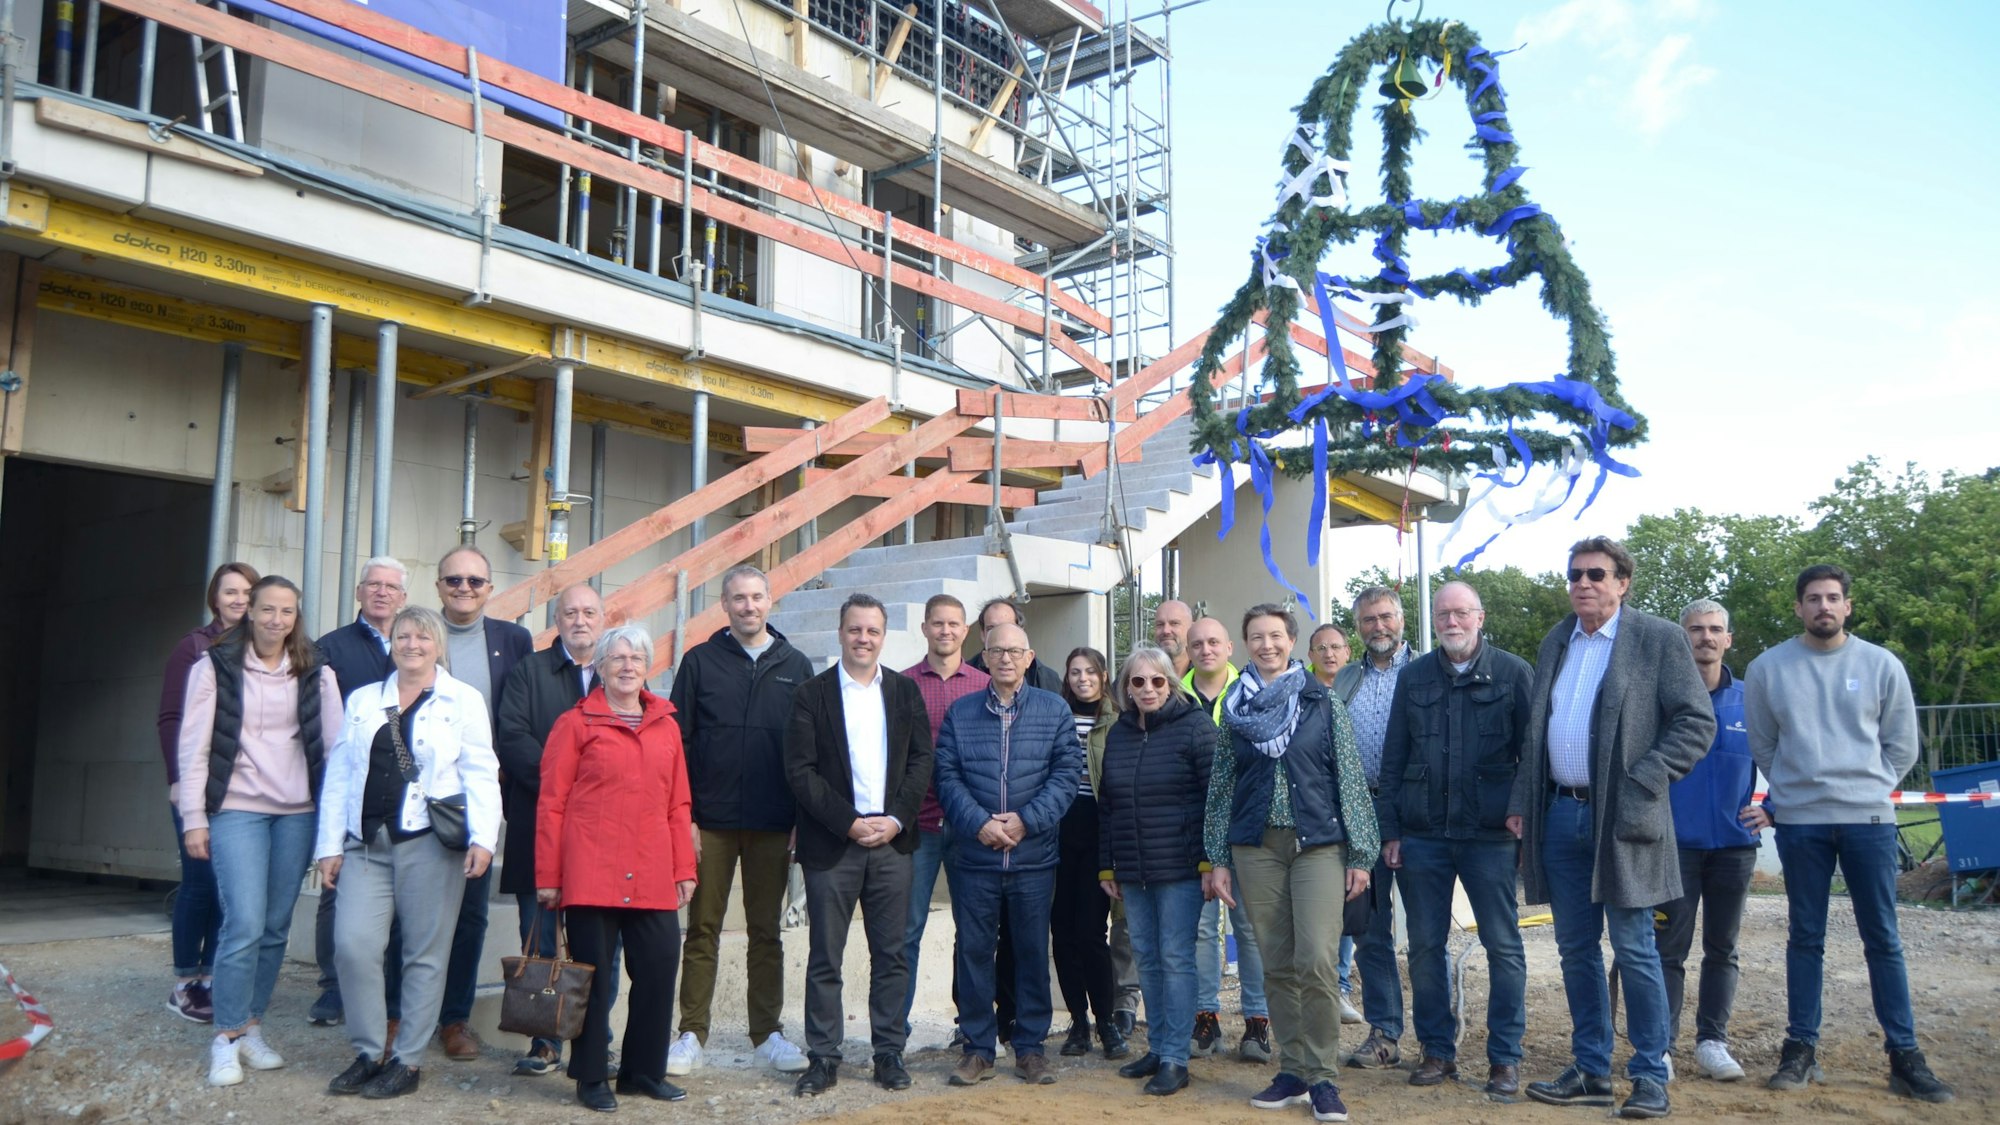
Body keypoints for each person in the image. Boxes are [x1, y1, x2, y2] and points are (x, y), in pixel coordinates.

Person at [1507, 537, 1713, 1120]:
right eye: (1574, 574)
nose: (1582, 583)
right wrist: (1525, 800)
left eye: (1596, 574)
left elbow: (1696, 722)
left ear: (1623, 582)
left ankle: (1650, 1074)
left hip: (1625, 818)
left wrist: (1645, 778)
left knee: (1635, 949)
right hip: (1560, 813)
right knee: (1575, 950)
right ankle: (1592, 1070)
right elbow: (1535, 732)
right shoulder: (1556, 640)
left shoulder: (1656, 638)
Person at [1747, 565, 1953, 1103]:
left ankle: (1904, 1056)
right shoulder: (1770, 668)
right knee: (1805, 937)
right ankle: (1800, 1050)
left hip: (1869, 821)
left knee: (1882, 939)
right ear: (1798, 607)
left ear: (1848, 606)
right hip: (1801, 824)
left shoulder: (1881, 664)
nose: (1823, 607)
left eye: (1833, 598)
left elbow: (1901, 745)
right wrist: (1796, 793)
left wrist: (1865, 788)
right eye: (1813, 599)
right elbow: (1764, 746)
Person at [314, 606, 501, 1100]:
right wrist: (329, 844)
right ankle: (369, 1051)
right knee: (353, 946)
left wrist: (484, 838)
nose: (411, 644)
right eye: (402, 635)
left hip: (429, 844)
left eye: (422, 636)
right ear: (390, 642)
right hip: (365, 845)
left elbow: (482, 771)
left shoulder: (463, 700)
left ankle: (408, 1059)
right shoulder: (362, 700)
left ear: (439, 645)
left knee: (424, 953)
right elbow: (340, 775)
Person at [1203, 602, 1378, 1124]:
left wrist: (1361, 854)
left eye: (1275, 636)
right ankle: (1294, 1069)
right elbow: (1220, 790)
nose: (1266, 645)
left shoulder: (1321, 702)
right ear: (1245, 645)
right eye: (1256, 637)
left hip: (1318, 847)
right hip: (1255, 849)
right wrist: (1216, 858)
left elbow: (1349, 777)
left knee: (1318, 961)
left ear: (1291, 641)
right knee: (1276, 963)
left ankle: (1324, 1077)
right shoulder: (1234, 709)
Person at [177, 575, 344, 1088]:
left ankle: (251, 1025)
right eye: (267, 609)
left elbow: (338, 755)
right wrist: (193, 818)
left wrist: (332, 830)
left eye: (286, 612)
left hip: (297, 813)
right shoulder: (215, 667)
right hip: (236, 809)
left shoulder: (317, 673)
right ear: (250, 611)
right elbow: (194, 747)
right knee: (243, 922)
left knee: (274, 926)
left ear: (297, 617)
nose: (276, 620)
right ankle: (224, 1038)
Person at [1377, 582, 1532, 1099]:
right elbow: (1393, 757)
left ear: (1480, 617)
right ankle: (1437, 1051)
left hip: (1491, 837)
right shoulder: (1414, 676)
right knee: (1423, 948)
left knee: (1504, 947)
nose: (1452, 622)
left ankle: (1504, 1059)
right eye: (1443, 614)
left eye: (1461, 613)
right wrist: (1391, 830)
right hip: (1423, 838)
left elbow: (1533, 756)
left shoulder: (1513, 673)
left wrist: (1521, 812)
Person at [536, 625, 697, 1113]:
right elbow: (552, 803)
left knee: (659, 966)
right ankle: (589, 1076)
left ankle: (642, 1071)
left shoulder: (666, 724)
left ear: (648, 667)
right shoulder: (576, 723)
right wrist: (548, 875)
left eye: (637, 658)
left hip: (651, 868)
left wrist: (683, 868)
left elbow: (678, 804)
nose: (628, 666)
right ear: (601, 667)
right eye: (618, 658)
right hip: (592, 868)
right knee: (594, 979)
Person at [784, 594, 935, 1097]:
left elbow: (920, 762)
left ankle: (888, 1052)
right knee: (826, 955)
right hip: (833, 844)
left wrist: (895, 819)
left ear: (883, 636)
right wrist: (849, 822)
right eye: (854, 630)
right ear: (841, 632)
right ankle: (823, 1057)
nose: (863, 639)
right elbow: (800, 772)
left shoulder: (904, 692)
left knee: (891, 954)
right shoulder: (812, 694)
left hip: (893, 843)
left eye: (872, 630)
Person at [669, 564, 814, 1077]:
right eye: (737, 598)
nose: (748, 606)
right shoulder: (699, 662)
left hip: (773, 823)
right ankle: (690, 1033)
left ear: (770, 601)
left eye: (756, 597)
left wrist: (801, 817)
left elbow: (807, 750)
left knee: (765, 931)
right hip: (710, 820)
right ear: (724, 604)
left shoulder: (796, 665)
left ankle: (767, 1033)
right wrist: (683, 817)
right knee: (702, 928)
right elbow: (677, 745)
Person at [934, 621, 1083, 1087]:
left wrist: (1025, 821)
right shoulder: (961, 713)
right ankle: (979, 1048)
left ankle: (1031, 1048)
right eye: (996, 651)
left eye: (1014, 651)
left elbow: (1066, 775)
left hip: (1033, 857)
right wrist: (979, 823)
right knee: (975, 952)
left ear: (1029, 656)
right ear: (984, 654)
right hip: (974, 859)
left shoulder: (1053, 709)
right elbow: (946, 774)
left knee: (1031, 952)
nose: (1005, 659)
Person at [493, 582, 604, 1077]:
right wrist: (568, 785)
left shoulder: (617, 672)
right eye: (570, 613)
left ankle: (594, 1041)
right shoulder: (529, 671)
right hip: (537, 821)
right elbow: (512, 737)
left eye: (589, 612)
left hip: (602, 833)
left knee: (598, 939)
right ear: (556, 621)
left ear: (603, 619)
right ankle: (544, 1041)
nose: (580, 621)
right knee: (537, 932)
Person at [1097, 645, 1215, 1097]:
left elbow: (1214, 802)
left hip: (1182, 869)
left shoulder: (1196, 728)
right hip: (1133, 869)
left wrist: (1210, 862)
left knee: (1175, 959)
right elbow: (1108, 806)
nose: (1147, 689)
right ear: (1126, 688)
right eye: (1138, 681)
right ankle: (1159, 1046)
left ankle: (1176, 1059)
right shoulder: (1122, 732)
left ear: (1172, 682)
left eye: (1157, 681)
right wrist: (1107, 864)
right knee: (1145, 957)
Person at [429, 546, 531, 1063]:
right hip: (420, 797)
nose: (464, 588)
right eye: (454, 580)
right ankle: (400, 1013)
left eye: (475, 581)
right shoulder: (418, 633)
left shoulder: (513, 640)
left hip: (480, 796)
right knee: (412, 912)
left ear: (489, 588)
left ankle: (455, 1019)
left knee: (471, 914)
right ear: (438, 585)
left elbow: (518, 716)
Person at [1651, 599, 1760, 1083]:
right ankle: (1662, 1047)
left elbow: (1785, 758)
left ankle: (1713, 1042)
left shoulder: (1751, 702)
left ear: (1728, 639)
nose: (1706, 637)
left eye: (1716, 629)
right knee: (1666, 950)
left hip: (1734, 849)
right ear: (1682, 638)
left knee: (1723, 948)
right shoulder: (1662, 702)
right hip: (1674, 847)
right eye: (1695, 629)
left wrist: (1772, 809)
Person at [159, 560, 259, 1024]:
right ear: (214, 599)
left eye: (246, 592)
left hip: (239, 789)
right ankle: (184, 984)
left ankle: (216, 979)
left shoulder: (262, 649)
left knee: (229, 889)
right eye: (230, 592)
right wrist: (178, 779)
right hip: (198, 784)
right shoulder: (193, 647)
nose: (239, 600)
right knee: (199, 885)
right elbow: (171, 719)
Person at [311, 556, 410, 1027]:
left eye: (391, 587)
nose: (382, 593)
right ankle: (333, 988)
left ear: (404, 597)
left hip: (406, 789)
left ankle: (391, 994)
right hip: (352, 787)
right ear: (359, 592)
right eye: (374, 585)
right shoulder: (329, 648)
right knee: (338, 888)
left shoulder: (415, 643)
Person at [897, 594, 989, 1044]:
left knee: (972, 932)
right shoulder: (901, 685)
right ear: (924, 627)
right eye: (938, 624)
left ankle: (970, 1028)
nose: (946, 631)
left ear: (965, 630)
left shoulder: (984, 685)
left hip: (971, 825)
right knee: (907, 929)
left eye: (954, 624)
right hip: (919, 826)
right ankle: (895, 1028)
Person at [1183, 615, 1272, 1062]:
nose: (1206, 650)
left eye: (1214, 641)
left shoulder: (1253, 693)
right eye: (1196, 643)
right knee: (1200, 931)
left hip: (1244, 829)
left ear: (1229, 648)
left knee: (1250, 930)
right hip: (1189, 832)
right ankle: (1205, 1019)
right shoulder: (1171, 694)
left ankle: (1257, 1022)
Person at [1332, 585, 1411, 1072]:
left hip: (1417, 815)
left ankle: (1438, 1041)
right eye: (1367, 620)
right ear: (1357, 626)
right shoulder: (1344, 679)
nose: (1378, 626)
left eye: (1385, 617)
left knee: (1424, 934)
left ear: (1401, 619)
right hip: (1359, 817)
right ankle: (1385, 1033)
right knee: (1370, 933)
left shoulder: (1428, 671)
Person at [1051, 646, 1127, 1060]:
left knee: (1091, 933)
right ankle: (1077, 1023)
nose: (1082, 678)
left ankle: (1107, 1022)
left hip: (1098, 833)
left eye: (1090, 672)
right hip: (1058, 832)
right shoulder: (1055, 715)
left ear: (1102, 676)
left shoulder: (1117, 721)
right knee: (1062, 932)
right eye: (1075, 671)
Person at [966, 598, 1064, 693]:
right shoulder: (964, 675)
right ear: (982, 634)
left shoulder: (1046, 679)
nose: (1000, 633)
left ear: (1021, 630)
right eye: (991, 628)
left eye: (1007, 626)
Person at [1152, 599, 1195, 679]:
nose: (1166, 631)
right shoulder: (1138, 675)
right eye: (1160, 624)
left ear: (1191, 628)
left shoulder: (1204, 673)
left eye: (1174, 623)